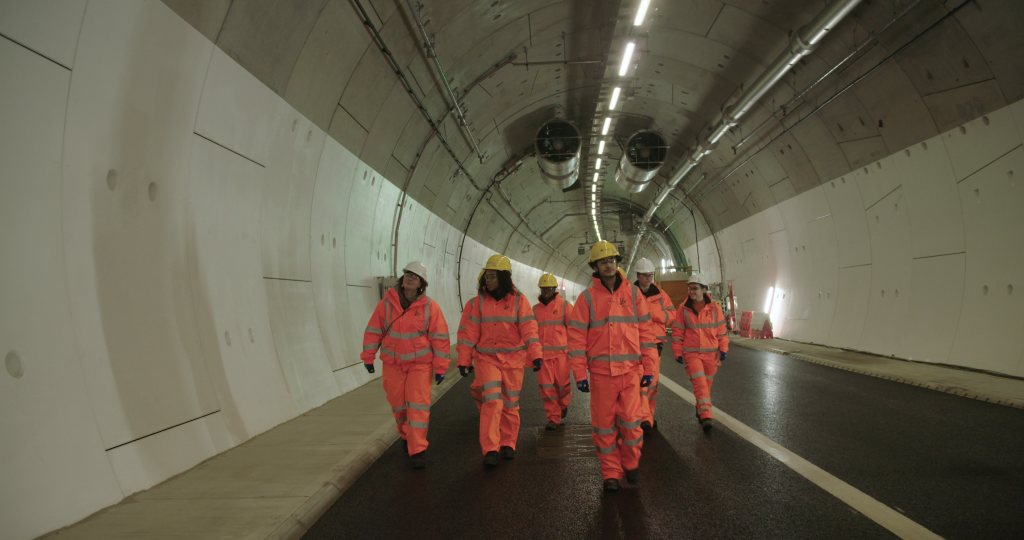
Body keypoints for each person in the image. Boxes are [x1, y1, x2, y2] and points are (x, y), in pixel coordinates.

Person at [568, 241, 658, 491]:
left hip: (630, 372)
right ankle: (610, 472)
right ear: (595, 267)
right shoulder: (587, 299)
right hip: (600, 375)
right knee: (603, 425)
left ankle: (631, 463)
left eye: (611, 260)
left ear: (617, 263)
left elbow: (646, 333)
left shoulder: (633, 294)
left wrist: (649, 368)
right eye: (602, 261)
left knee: (631, 422)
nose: (608, 264)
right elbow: (575, 338)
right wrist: (579, 373)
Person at [361, 262, 451, 468]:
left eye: (416, 276)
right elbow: (374, 330)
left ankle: (418, 449)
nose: (411, 278)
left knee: (417, 407)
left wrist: (441, 366)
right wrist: (368, 356)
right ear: (402, 279)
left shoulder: (430, 307)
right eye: (408, 274)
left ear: (421, 284)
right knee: (398, 405)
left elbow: (440, 339)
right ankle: (405, 435)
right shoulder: (386, 305)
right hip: (393, 364)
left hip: (420, 365)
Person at [456, 254, 542, 467]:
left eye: (493, 276)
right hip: (487, 360)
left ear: (504, 277)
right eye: (487, 276)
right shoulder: (479, 303)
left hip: (513, 360)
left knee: (510, 404)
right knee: (492, 402)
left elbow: (529, 329)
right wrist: (464, 359)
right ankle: (490, 449)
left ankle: (508, 443)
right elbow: (471, 332)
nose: (488, 280)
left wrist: (536, 354)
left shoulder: (519, 301)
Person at [671, 272, 728, 433]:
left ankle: (700, 408)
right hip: (692, 354)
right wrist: (677, 351)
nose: (692, 292)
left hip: (711, 355)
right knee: (700, 384)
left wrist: (723, 349)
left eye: (695, 288)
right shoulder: (683, 309)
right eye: (690, 288)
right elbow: (677, 332)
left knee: (706, 387)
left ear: (704, 289)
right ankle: (706, 416)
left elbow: (722, 331)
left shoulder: (714, 309)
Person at [633, 258, 675, 431]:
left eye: (651, 275)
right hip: (635, 343)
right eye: (645, 275)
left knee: (652, 382)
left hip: (655, 344)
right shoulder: (629, 293)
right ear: (638, 275)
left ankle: (648, 414)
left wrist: (654, 313)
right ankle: (644, 417)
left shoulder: (661, 295)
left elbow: (672, 316)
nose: (649, 278)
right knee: (639, 381)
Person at [533, 273, 573, 430]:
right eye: (544, 288)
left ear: (555, 288)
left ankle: (563, 405)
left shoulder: (564, 306)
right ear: (540, 290)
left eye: (549, 288)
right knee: (546, 388)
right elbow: (529, 332)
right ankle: (553, 418)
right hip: (543, 358)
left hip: (562, 355)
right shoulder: (535, 310)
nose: (546, 291)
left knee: (562, 385)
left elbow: (575, 329)